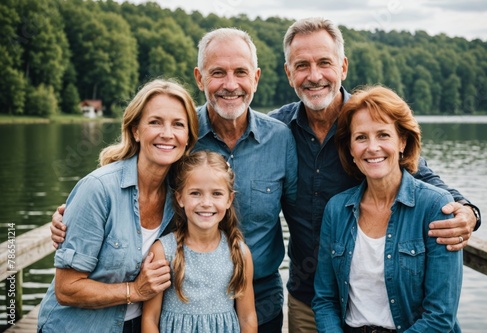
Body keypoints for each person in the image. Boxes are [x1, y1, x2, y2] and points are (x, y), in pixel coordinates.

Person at [50, 28, 298, 332]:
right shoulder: (183, 135)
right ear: (199, 78)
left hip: (258, 300)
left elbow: (301, 217)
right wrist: (73, 216)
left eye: (240, 72)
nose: (230, 84)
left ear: (256, 78)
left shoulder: (279, 138)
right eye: (218, 72)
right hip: (176, 305)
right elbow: (127, 176)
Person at [267, 17, 479, 332]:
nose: (314, 76)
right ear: (288, 72)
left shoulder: (369, 119)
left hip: (398, 311)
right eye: (302, 65)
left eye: (325, 63)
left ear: (343, 67)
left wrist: (467, 211)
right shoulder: (275, 132)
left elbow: (421, 175)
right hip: (311, 302)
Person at [37, 78, 199, 333]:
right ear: (135, 130)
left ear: (188, 136)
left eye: (178, 124)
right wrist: (134, 290)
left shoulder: (182, 197)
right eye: (155, 122)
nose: (167, 133)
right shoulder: (98, 189)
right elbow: (66, 289)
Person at [312, 85, 463, 332]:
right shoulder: (337, 210)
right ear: (350, 148)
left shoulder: (435, 207)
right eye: (361, 137)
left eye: (383, 135)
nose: (372, 147)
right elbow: (325, 301)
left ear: (402, 141)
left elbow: (440, 316)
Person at [141, 151, 257, 332]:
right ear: (180, 198)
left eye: (217, 193)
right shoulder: (163, 251)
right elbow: (150, 318)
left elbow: (247, 317)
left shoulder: (239, 253)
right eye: (195, 193)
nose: (206, 203)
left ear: (229, 199)